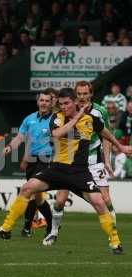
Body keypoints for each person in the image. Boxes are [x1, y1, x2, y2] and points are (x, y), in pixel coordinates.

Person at [0, 88, 132, 254]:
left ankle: (115, 243)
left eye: (67, 103)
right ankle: (5, 228)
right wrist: (77, 117)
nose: (64, 107)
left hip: (79, 172)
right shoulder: (57, 118)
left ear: (76, 102)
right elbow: (57, 134)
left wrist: (120, 146)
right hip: (57, 169)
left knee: (99, 203)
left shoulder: (90, 119)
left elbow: (104, 131)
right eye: (61, 104)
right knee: (28, 188)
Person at [44, 81, 117, 246]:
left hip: (93, 158)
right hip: (71, 162)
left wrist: (107, 160)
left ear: (91, 94)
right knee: (60, 200)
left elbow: (106, 135)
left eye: (85, 94)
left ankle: (113, 237)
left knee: (105, 199)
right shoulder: (67, 112)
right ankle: (53, 232)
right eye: (79, 94)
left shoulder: (100, 112)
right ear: (75, 96)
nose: (82, 97)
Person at [3, 90, 54, 238]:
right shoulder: (29, 119)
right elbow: (20, 137)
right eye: (41, 100)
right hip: (32, 160)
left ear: (51, 103)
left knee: (30, 192)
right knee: (37, 197)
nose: (43, 103)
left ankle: (25, 227)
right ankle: (51, 225)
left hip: (46, 160)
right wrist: (10, 147)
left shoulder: (55, 120)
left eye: (46, 101)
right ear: (38, 102)